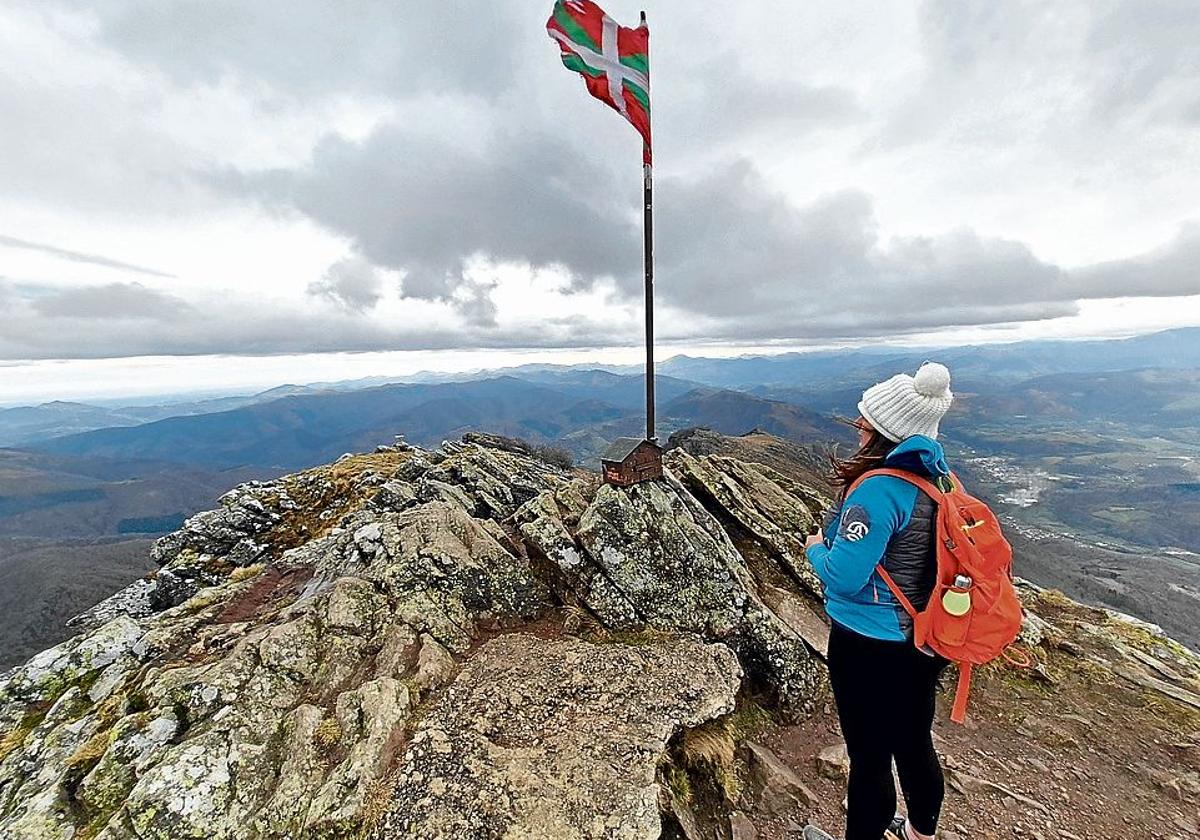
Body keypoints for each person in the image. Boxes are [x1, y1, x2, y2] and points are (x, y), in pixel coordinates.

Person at [802, 362, 956, 840]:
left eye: (866, 419)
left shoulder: (879, 489)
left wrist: (814, 549)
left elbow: (844, 577)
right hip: (924, 640)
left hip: (869, 644)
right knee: (912, 742)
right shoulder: (939, 479)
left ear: (883, 429)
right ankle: (919, 832)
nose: (859, 426)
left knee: (869, 756)